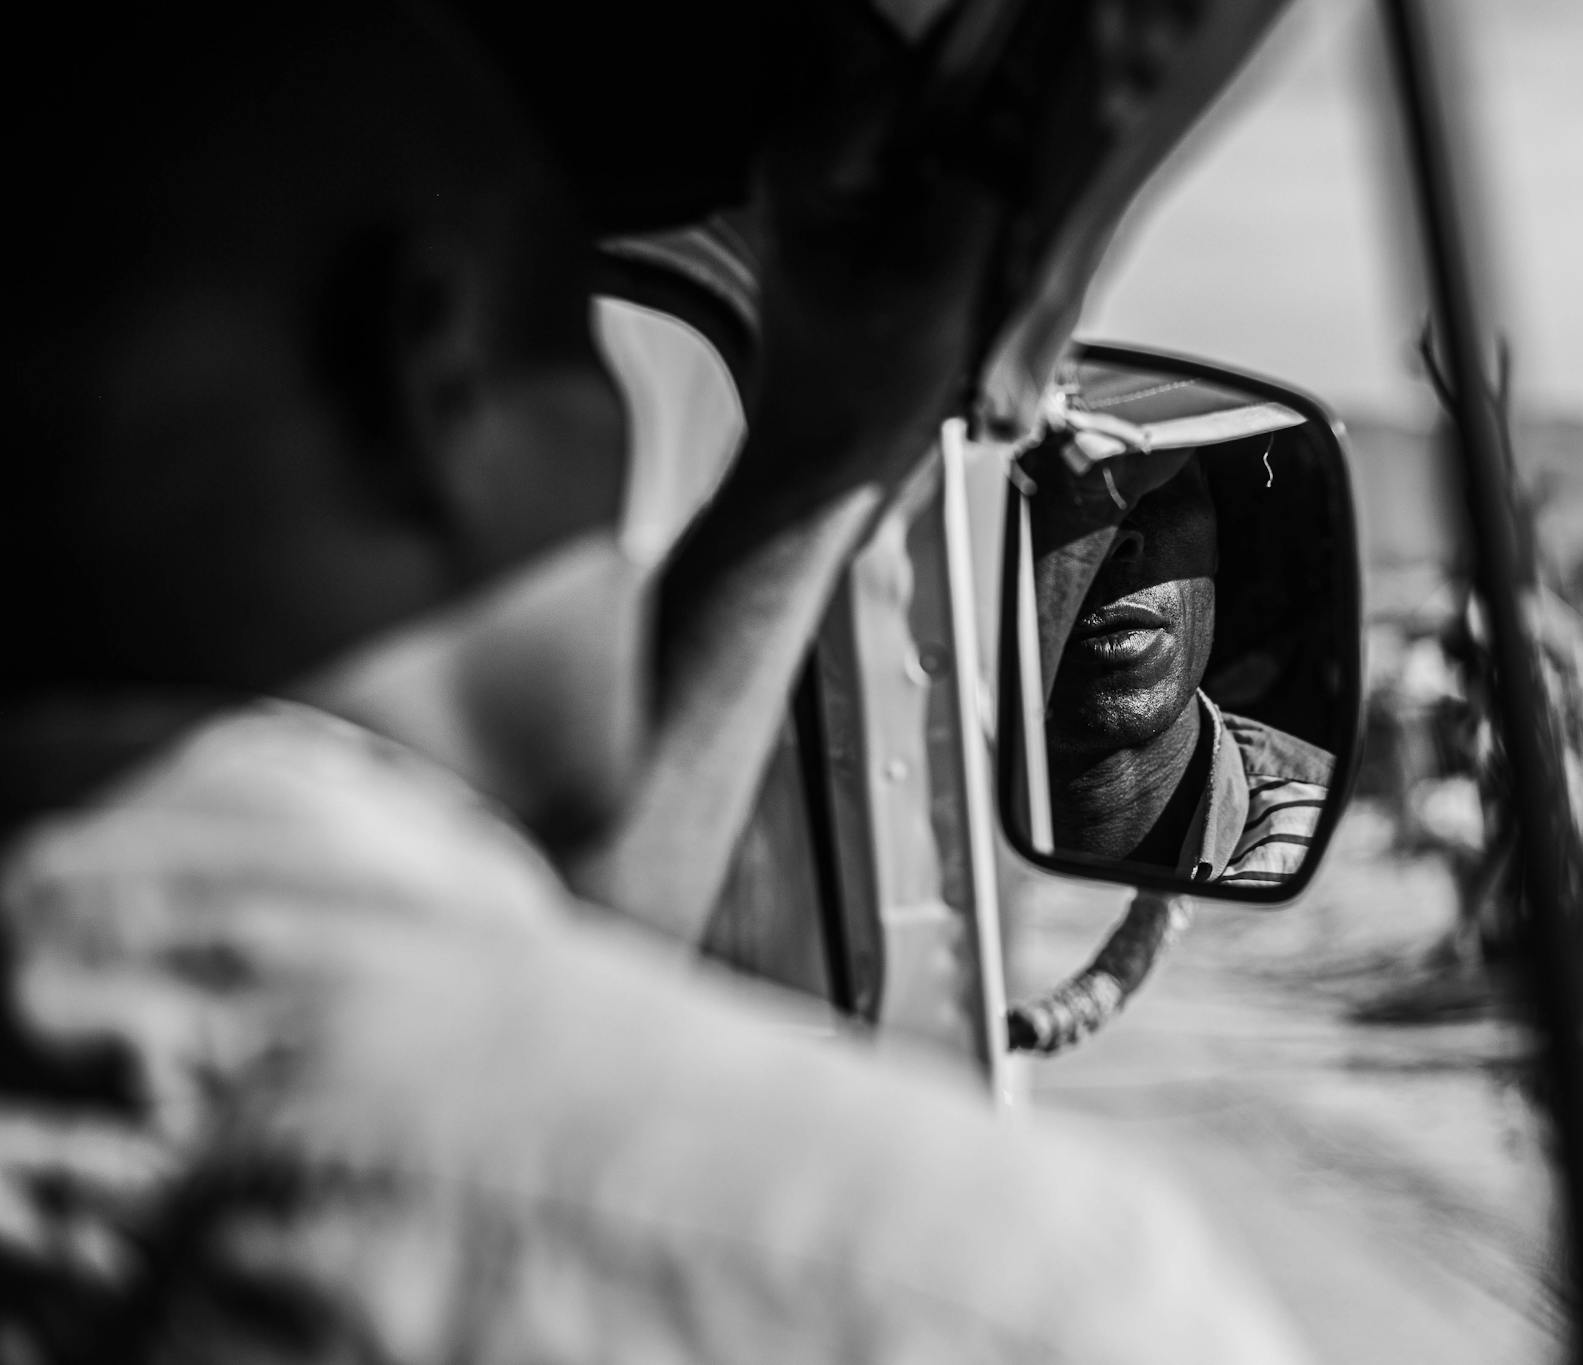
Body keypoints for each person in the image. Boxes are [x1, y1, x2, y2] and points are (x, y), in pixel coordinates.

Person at [0, 5, 1316, 1361]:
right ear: (433, 357)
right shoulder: (970, 1291)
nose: (626, 510)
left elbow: (505, 1008)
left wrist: (828, 446)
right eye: (582, 336)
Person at [1028, 437, 1334, 887]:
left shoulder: (1329, 838)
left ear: (1216, 537)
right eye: (1052, 507)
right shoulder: (920, 831)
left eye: (1155, 486)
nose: (1114, 540)